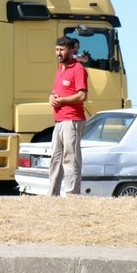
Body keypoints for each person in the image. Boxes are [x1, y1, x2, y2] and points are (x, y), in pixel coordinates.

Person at [48, 36, 88, 196]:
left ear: (72, 50)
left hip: (72, 119)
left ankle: (72, 195)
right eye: (57, 49)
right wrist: (51, 97)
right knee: (55, 158)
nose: (59, 53)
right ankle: (53, 194)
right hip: (58, 119)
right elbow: (55, 92)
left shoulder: (78, 69)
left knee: (70, 158)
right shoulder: (60, 68)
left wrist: (62, 100)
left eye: (62, 50)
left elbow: (82, 95)